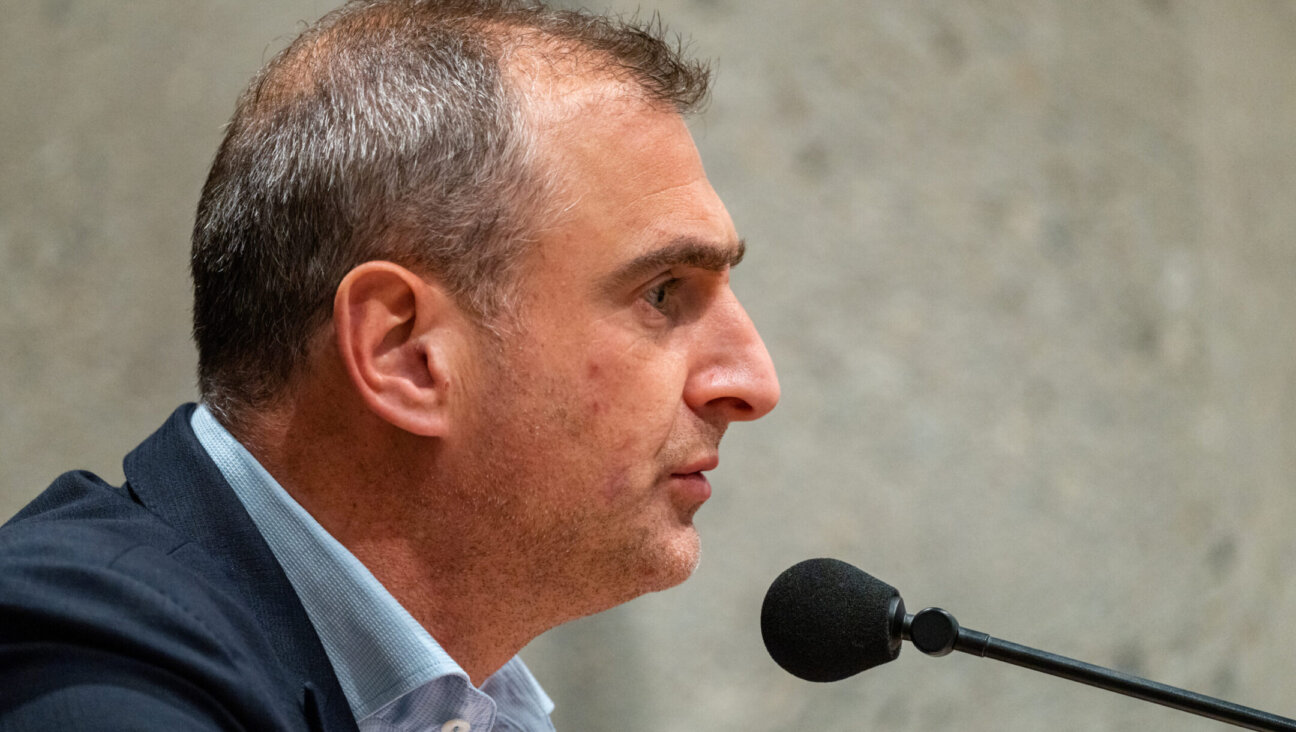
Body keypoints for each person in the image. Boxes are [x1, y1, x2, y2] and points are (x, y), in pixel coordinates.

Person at [0, 1, 779, 730]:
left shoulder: (463, 705)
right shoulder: (84, 662)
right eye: (664, 292)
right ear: (404, 353)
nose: (753, 384)